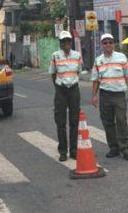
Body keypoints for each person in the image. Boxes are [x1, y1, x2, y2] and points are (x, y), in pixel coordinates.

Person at [91, 33, 128, 161]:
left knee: (121, 120)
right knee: (108, 122)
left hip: (119, 95)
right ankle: (113, 147)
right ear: (102, 45)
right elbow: (95, 80)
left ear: (114, 43)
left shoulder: (121, 57)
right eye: (105, 43)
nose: (108, 45)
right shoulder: (98, 60)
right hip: (105, 94)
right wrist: (94, 96)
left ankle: (125, 149)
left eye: (110, 42)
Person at [49, 30, 83, 161]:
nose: (66, 44)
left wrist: (71, 83)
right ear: (60, 43)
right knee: (60, 121)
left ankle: (74, 150)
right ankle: (63, 151)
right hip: (61, 90)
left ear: (70, 42)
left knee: (74, 121)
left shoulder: (77, 55)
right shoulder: (55, 56)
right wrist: (59, 86)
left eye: (68, 41)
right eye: (63, 42)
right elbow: (53, 74)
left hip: (74, 90)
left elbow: (78, 72)